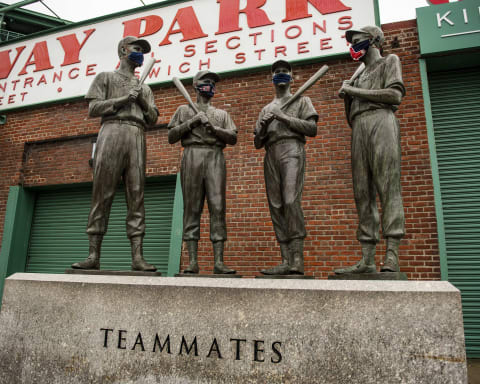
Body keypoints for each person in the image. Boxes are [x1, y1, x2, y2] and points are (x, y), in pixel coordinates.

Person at [72, 36, 158, 271]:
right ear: (123, 49)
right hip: (111, 131)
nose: (140, 53)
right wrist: (122, 99)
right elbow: (93, 108)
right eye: (136, 48)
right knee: (102, 193)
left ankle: (138, 257)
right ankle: (93, 255)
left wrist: (141, 100)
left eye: (142, 50)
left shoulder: (145, 88)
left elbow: (153, 118)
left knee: (137, 195)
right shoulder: (105, 77)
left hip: (136, 133)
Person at [335, 25, 405, 274]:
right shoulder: (359, 74)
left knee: (387, 186)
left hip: (382, 120)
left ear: (374, 40)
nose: (353, 45)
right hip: (360, 125)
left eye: (358, 40)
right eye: (351, 42)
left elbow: (394, 95)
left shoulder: (389, 61)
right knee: (362, 191)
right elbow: (350, 115)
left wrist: (353, 91)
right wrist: (349, 97)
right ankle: (367, 259)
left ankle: (392, 256)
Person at [168, 71, 237, 274]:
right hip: (192, 154)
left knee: (217, 207)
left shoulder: (222, 114)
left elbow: (232, 138)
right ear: (196, 85)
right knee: (192, 208)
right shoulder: (183, 109)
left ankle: (219, 262)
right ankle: (192, 262)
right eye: (206, 82)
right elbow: (171, 136)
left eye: (213, 83)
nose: (211, 85)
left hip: (215, 155)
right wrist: (192, 122)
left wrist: (214, 128)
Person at [254, 60, 318, 275]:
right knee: (276, 205)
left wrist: (284, 117)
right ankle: (285, 260)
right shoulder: (266, 108)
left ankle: (297, 258)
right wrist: (262, 127)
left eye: (285, 71)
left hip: (292, 149)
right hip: (270, 152)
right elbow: (256, 143)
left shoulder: (302, 100)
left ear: (292, 77)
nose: (280, 74)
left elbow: (311, 128)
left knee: (290, 200)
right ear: (271, 78)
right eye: (277, 72)